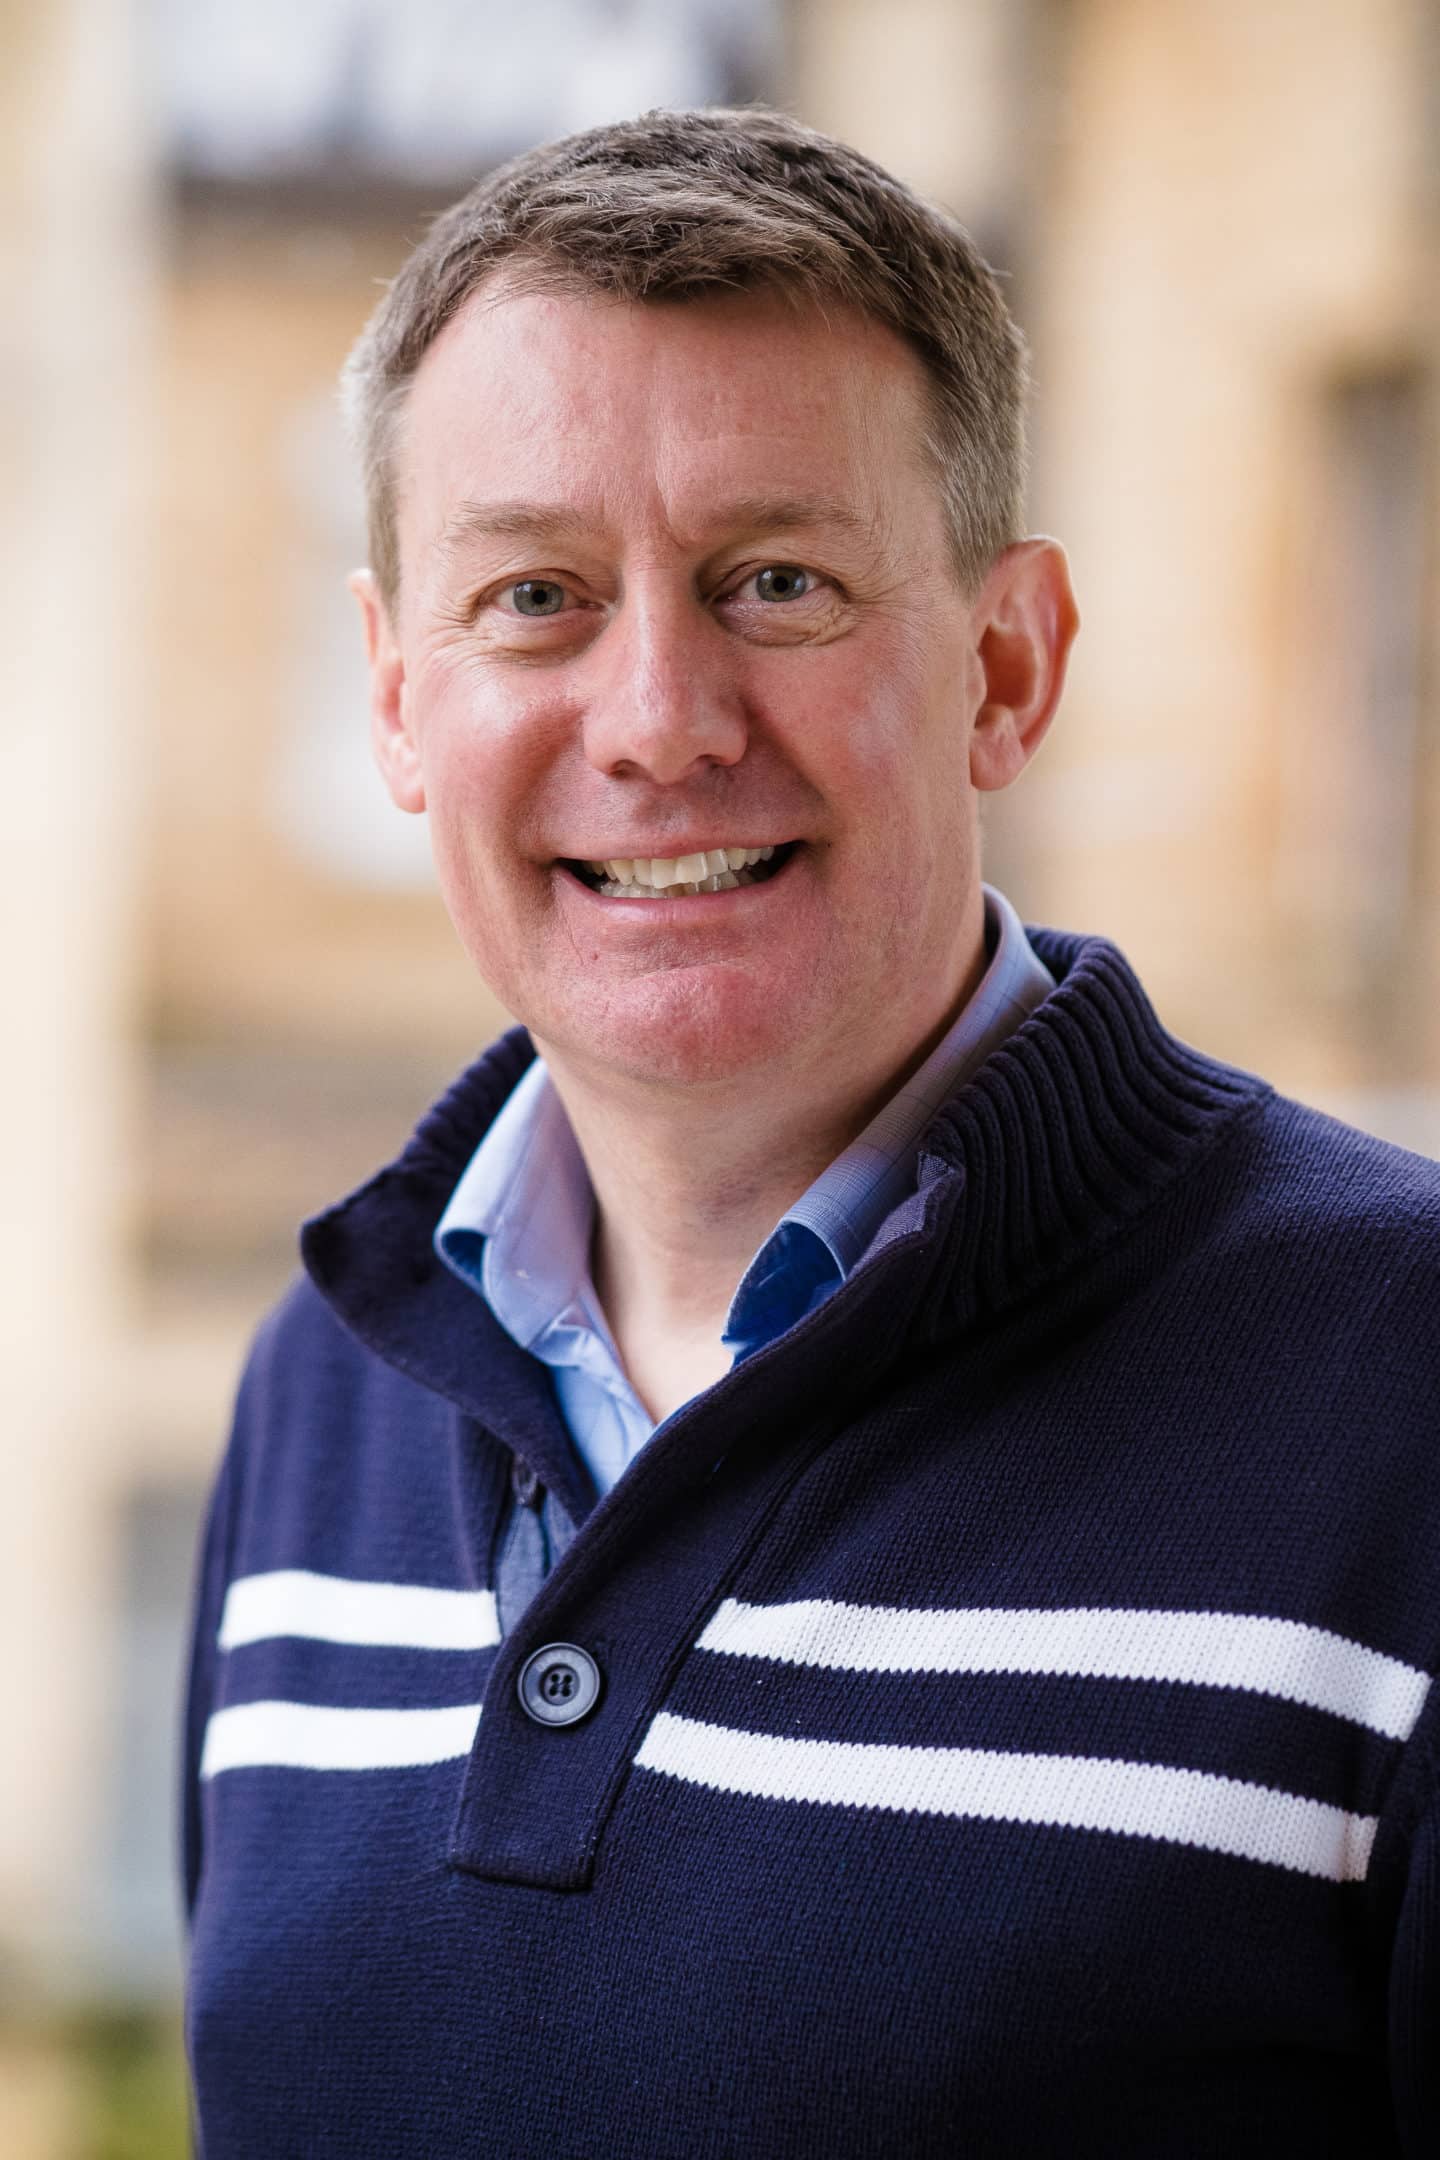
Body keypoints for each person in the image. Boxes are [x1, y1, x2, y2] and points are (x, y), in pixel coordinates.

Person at [180, 106, 1440, 2158]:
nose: (660, 716)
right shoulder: (314, 1401)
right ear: (399, 699)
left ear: (1005, 667)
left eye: (777, 583)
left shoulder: (1403, 1392)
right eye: (535, 596)